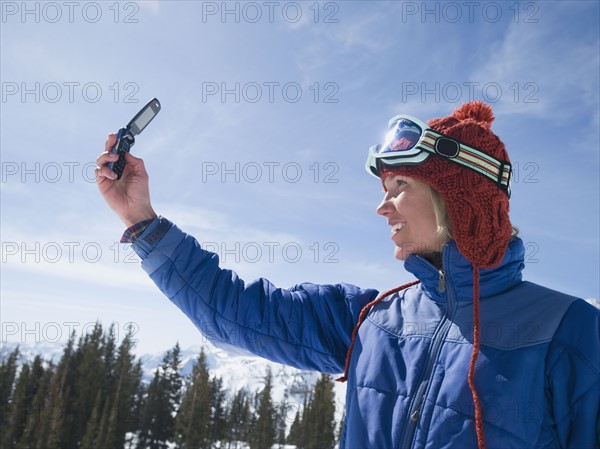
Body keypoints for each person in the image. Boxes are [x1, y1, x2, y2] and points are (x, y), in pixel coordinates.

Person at [95, 101, 600, 448]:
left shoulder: (569, 332)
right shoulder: (373, 321)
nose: (382, 207)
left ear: (459, 198)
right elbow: (232, 313)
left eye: (400, 184)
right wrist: (141, 220)